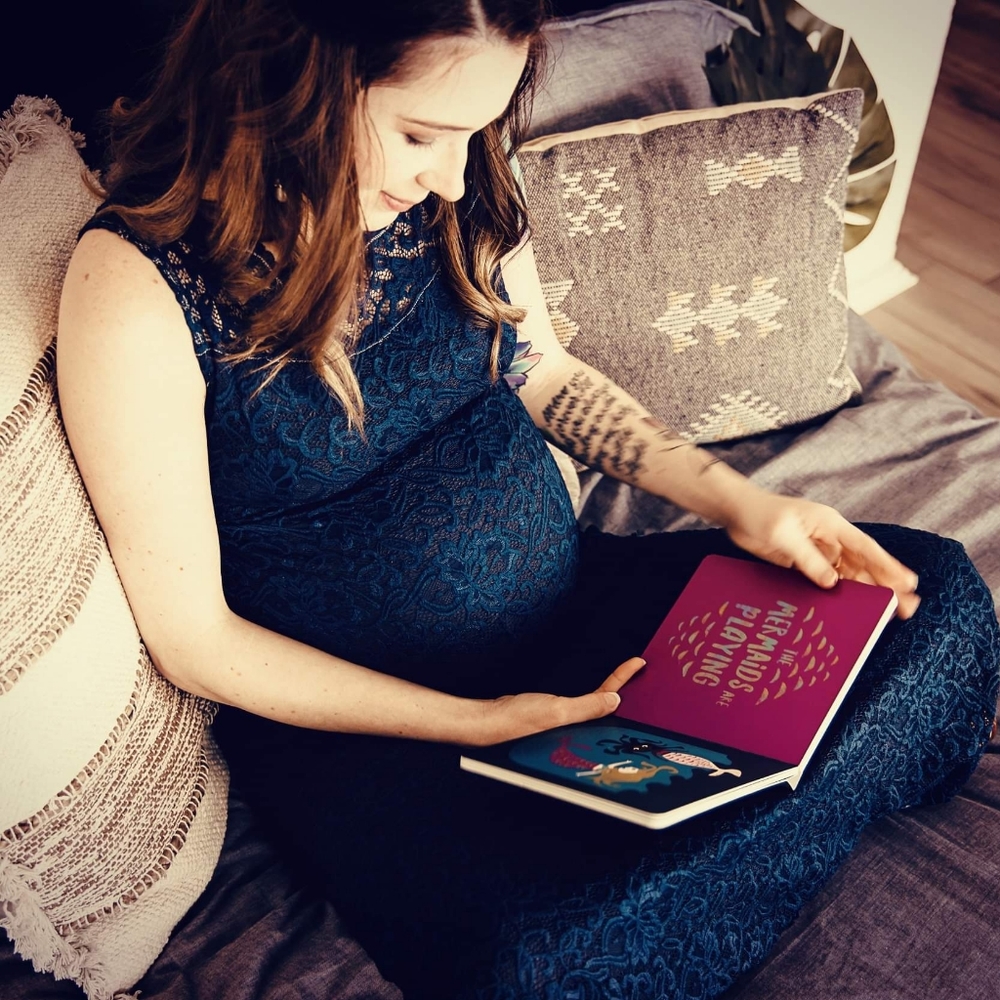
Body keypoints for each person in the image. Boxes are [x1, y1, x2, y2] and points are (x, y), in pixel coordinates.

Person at [56, 0, 999, 997]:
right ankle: (762, 835)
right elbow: (195, 640)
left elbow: (541, 373)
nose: (453, 176)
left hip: (583, 614)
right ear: (286, 78)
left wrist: (739, 504)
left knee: (930, 596)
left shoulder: (452, 192)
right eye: (421, 134)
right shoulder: (137, 290)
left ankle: (721, 858)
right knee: (539, 964)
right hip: (388, 734)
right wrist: (473, 723)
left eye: (473, 134)